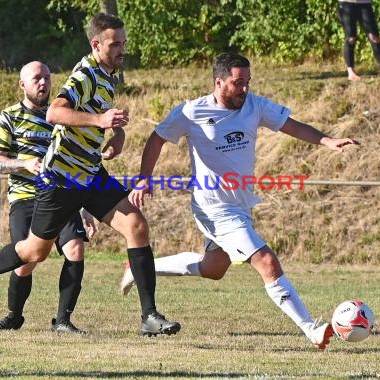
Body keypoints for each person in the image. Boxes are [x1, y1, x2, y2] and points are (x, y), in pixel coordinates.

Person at [124, 52, 359, 350]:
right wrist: (144, 177)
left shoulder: (255, 105)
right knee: (267, 262)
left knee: (213, 268)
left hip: (240, 204)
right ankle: (311, 328)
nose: (244, 89)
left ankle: (139, 268)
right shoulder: (191, 112)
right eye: (238, 83)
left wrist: (326, 140)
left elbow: (291, 125)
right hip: (214, 208)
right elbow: (157, 138)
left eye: (247, 82)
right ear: (219, 82)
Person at [0, 13, 180, 337]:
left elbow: (100, 121)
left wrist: (115, 135)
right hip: (63, 177)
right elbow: (55, 112)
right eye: (115, 44)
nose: (122, 49)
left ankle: (149, 317)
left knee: (136, 225)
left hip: (90, 172)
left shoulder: (109, 75)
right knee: (35, 252)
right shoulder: (86, 74)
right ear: (96, 45)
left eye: (123, 42)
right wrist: (99, 121)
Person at [0, 61, 97, 333]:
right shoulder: (9, 117)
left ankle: (62, 320)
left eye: (47, 77)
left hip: (62, 195)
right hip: (25, 197)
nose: (43, 83)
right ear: (22, 85)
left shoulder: (61, 117)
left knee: (75, 248)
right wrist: (24, 163)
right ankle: (14, 315)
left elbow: (76, 162)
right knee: (28, 258)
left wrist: (84, 207)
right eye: (36, 78)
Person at [337, 0, 380, 81]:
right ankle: (351, 73)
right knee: (350, 38)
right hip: (346, 4)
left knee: (374, 37)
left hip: (364, 4)